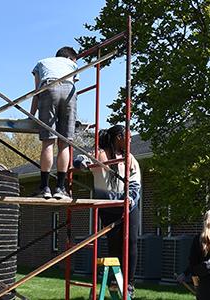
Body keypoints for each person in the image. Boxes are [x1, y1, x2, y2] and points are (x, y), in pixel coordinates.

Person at [74, 125, 142, 298]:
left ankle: (129, 283)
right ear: (119, 137)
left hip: (128, 206)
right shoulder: (100, 153)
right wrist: (80, 162)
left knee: (131, 241)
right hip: (108, 206)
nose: (131, 141)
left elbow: (136, 183)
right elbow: (81, 158)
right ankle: (115, 280)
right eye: (129, 137)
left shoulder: (130, 158)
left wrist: (131, 199)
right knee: (114, 244)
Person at [30, 46, 79, 200]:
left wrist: (31, 115)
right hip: (69, 91)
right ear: (70, 58)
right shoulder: (72, 65)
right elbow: (72, 84)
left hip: (49, 87)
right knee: (64, 143)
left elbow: (36, 92)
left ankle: (45, 188)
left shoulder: (41, 63)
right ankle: (60, 188)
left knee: (48, 142)